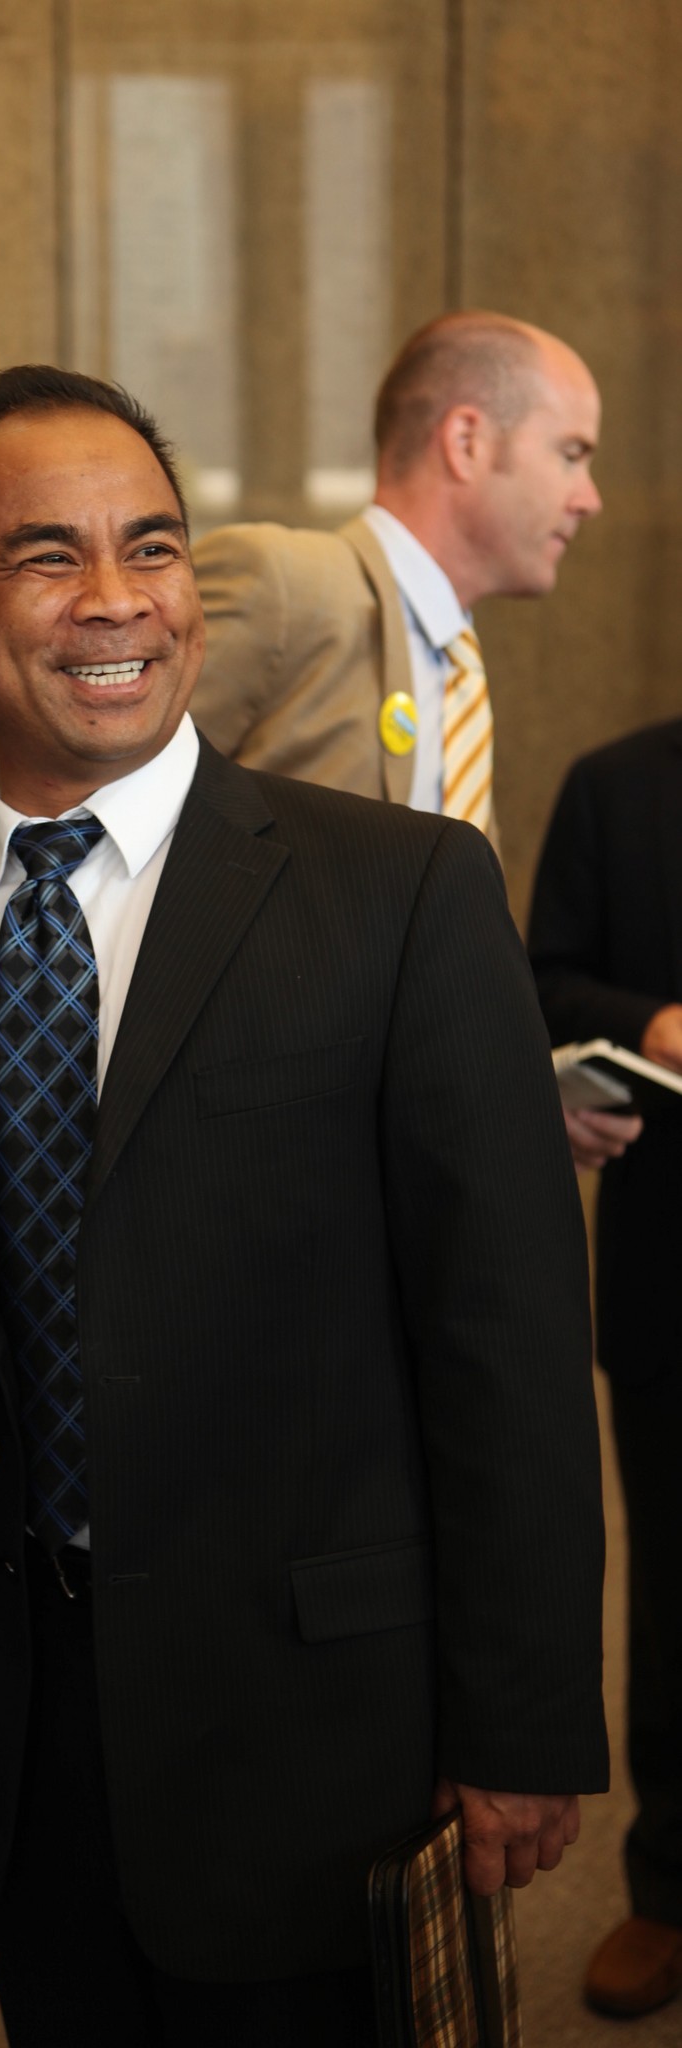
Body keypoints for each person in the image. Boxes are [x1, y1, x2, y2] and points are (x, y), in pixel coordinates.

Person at [0, 362, 609, 2046]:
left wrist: (522, 1719)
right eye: (47, 556)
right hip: (23, 1753)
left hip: (327, 1754)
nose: (117, 601)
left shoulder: (404, 897)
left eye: (152, 546)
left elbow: (504, 1339)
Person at [191, 311, 602, 844]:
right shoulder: (288, 584)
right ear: (466, 442)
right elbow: (100, 797)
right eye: (570, 455)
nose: (588, 500)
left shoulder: (459, 668)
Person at [529, 721, 682, 2020]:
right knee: (676, 1601)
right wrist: (654, 1023)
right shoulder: (616, 787)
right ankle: (668, 1890)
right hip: (669, 1276)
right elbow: (544, 982)